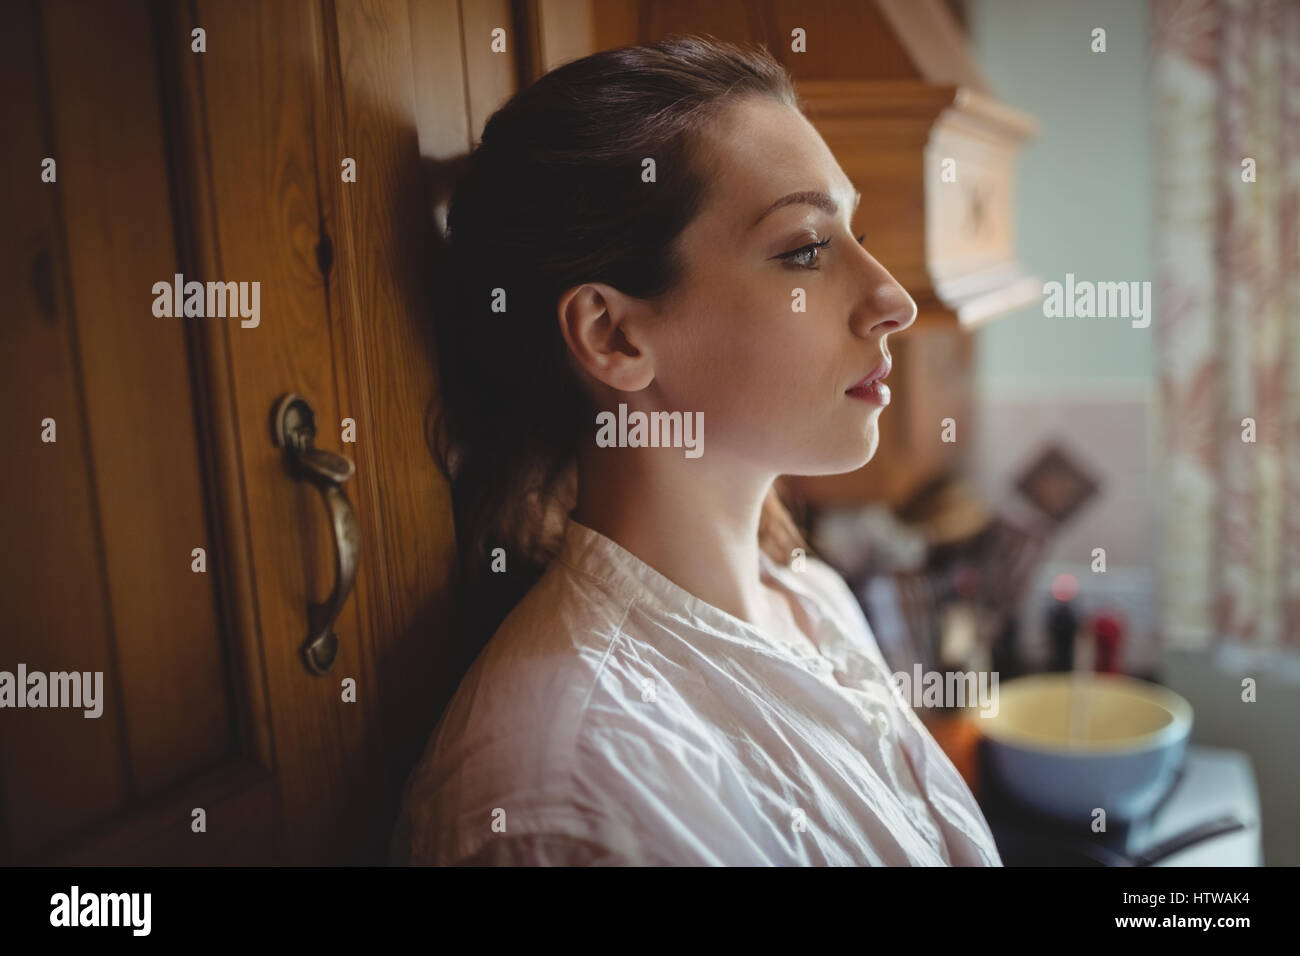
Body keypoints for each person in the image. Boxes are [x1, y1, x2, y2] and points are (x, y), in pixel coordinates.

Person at [391, 34, 1003, 866]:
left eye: (850, 233)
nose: (891, 298)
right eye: (805, 251)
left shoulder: (811, 596)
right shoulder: (573, 788)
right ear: (613, 335)